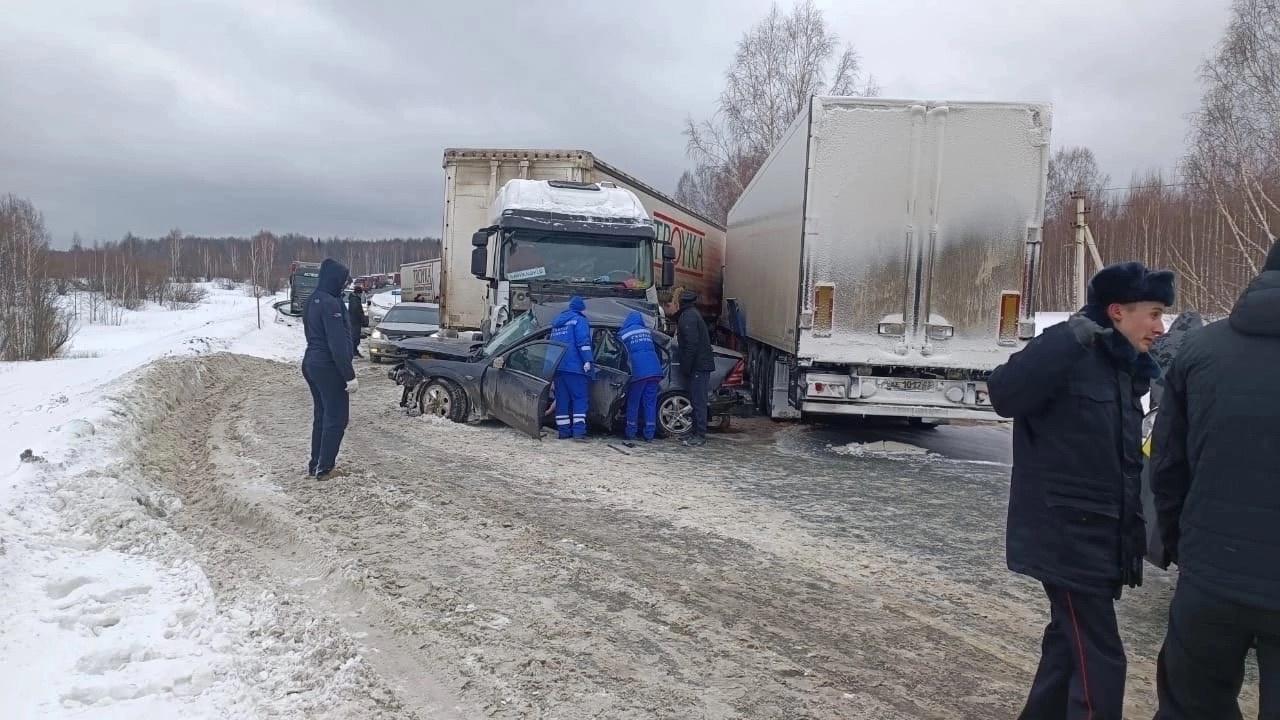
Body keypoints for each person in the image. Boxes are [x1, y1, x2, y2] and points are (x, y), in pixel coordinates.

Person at [988, 261, 1174, 720]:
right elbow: (1003, 395)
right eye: (1152, 313)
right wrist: (1065, 339)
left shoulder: (1124, 366)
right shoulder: (1066, 349)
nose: (1160, 326)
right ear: (1116, 311)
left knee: (1066, 645)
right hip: (1067, 535)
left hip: (1101, 536)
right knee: (1101, 655)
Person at [1151, 241, 1280, 718]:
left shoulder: (1203, 349)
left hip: (1210, 578)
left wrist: (1183, 549)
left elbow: (1166, 465)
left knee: (1191, 706)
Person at [302, 258, 358, 481]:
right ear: (335, 279)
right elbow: (337, 344)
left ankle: (315, 463)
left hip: (311, 363)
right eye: (343, 280)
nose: (344, 285)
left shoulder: (313, 300)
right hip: (328, 366)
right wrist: (349, 375)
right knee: (337, 417)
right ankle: (325, 468)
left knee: (322, 415)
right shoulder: (331, 304)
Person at [549, 296, 594, 440]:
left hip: (558, 367)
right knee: (579, 399)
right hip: (575, 367)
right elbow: (583, 342)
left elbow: (551, 347)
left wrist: (549, 369)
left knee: (562, 400)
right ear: (581, 308)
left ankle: (563, 432)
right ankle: (579, 432)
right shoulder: (579, 320)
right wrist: (587, 360)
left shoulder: (557, 324)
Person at [674, 290, 715, 447]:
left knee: (699, 401)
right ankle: (694, 432)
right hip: (700, 365)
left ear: (682, 302)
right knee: (696, 400)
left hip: (699, 367)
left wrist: (686, 366)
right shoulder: (692, 314)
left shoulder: (688, 317)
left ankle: (700, 435)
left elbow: (691, 345)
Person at [619, 310, 663, 442]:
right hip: (654, 371)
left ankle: (631, 432)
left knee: (634, 402)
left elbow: (618, 352)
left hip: (638, 372)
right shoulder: (647, 332)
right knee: (650, 403)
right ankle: (649, 434)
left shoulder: (624, 334)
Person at [347, 285, 367, 358]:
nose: (361, 295)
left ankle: (355, 351)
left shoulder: (354, 299)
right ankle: (353, 352)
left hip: (354, 321)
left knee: (355, 337)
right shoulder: (355, 300)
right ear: (358, 293)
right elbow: (357, 311)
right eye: (361, 293)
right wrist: (362, 319)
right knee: (355, 337)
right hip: (354, 321)